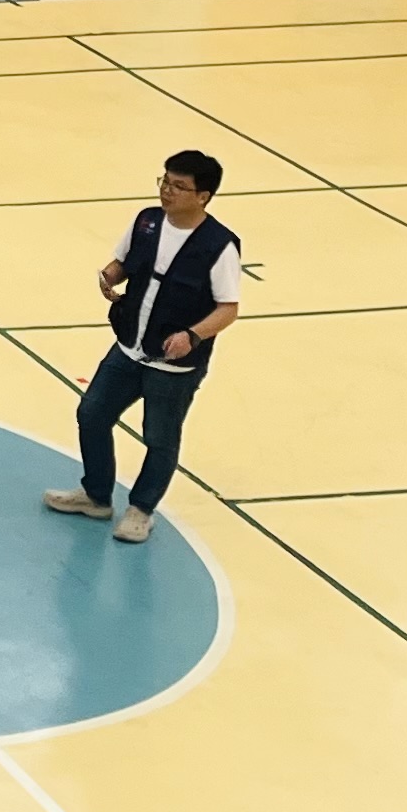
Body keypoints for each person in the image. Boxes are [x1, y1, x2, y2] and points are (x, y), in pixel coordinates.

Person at [42, 150, 246, 548]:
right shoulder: (147, 222)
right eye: (165, 182)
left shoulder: (219, 246)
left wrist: (192, 335)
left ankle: (141, 508)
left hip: (173, 366)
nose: (167, 191)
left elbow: (228, 309)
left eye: (179, 186)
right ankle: (96, 495)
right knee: (92, 413)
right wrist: (109, 276)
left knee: (159, 437)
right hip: (128, 348)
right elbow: (122, 262)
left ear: (203, 196)